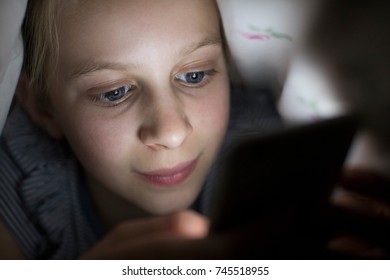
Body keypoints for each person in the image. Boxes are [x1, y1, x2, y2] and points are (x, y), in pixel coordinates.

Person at [0, 0, 280, 259]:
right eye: (114, 93)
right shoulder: (13, 191)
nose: (171, 133)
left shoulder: (274, 154)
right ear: (44, 108)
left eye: (194, 75)